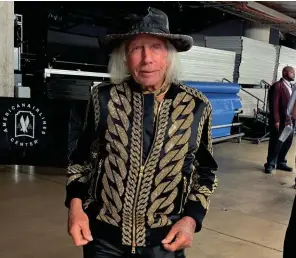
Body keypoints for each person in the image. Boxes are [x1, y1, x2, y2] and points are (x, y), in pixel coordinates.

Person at [65, 7, 218, 258]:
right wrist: (75, 207)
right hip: (103, 241)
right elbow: (80, 160)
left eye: (156, 47)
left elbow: (206, 172)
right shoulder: (103, 98)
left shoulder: (196, 106)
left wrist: (191, 219)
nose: (147, 58)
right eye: (137, 48)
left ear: (168, 54)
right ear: (125, 56)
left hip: (165, 242)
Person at [265, 66, 295, 174]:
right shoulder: (277, 86)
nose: (294, 74)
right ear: (285, 73)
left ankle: (281, 162)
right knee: (276, 143)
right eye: (292, 72)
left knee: (287, 142)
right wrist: (276, 120)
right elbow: (274, 105)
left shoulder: (292, 87)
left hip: (290, 120)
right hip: (281, 121)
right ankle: (270, 164)